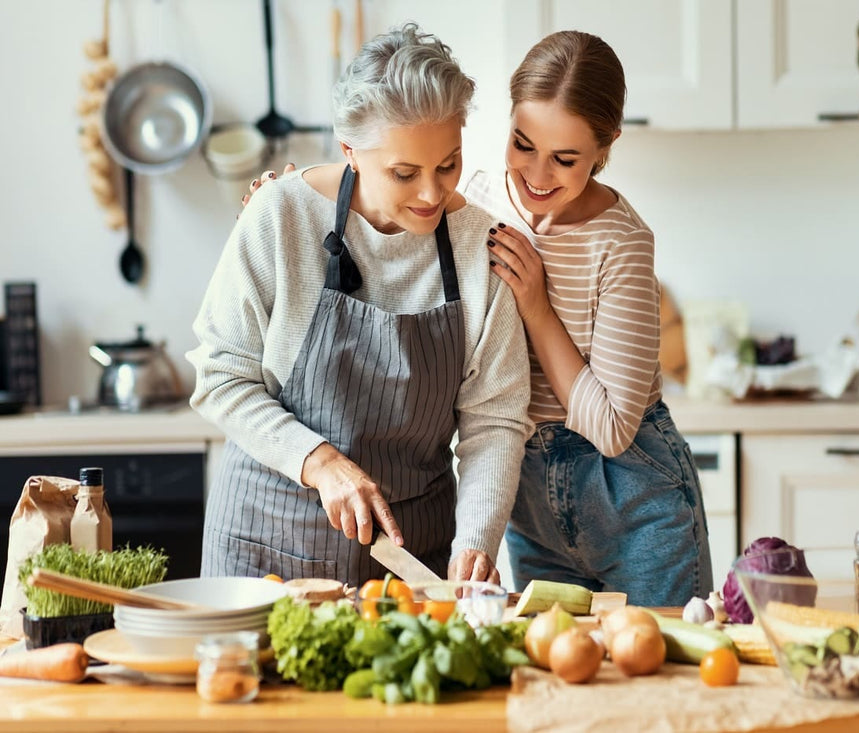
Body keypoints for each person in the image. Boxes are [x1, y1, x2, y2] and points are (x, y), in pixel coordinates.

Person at [245, 30, 711, 606]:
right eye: (522, 143)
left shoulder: (617, 241)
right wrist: (287, 198)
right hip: (530, 492)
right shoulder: (484, 199)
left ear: (607, 143)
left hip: (629, 491)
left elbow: (606, 427)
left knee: (658, 667)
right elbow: (386, 163)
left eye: (565, 159)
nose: (537, 176)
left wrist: (536, 308)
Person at [188, 23, 532, 586]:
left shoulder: (478, 246)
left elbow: (494, 419)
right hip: (265, 548)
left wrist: (475, 543)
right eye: (405, 172)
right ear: (350, 151)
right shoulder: (280, 216)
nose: (431, 194)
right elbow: (220, 375)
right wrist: (319, 461)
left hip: (410, 560)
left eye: (448, 165)